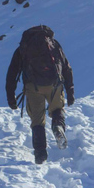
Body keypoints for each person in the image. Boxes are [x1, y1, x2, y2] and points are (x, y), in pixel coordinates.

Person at [6, 25, 74, 164]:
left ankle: (40, 154)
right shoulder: (54, 45)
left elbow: (12, 73)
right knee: (57, 109)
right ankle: (57, 127)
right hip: (54, 85)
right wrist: (70, 90)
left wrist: (11, 97)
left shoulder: (23, 48)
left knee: (37, 121)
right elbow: (66, 67)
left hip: (33, 87)